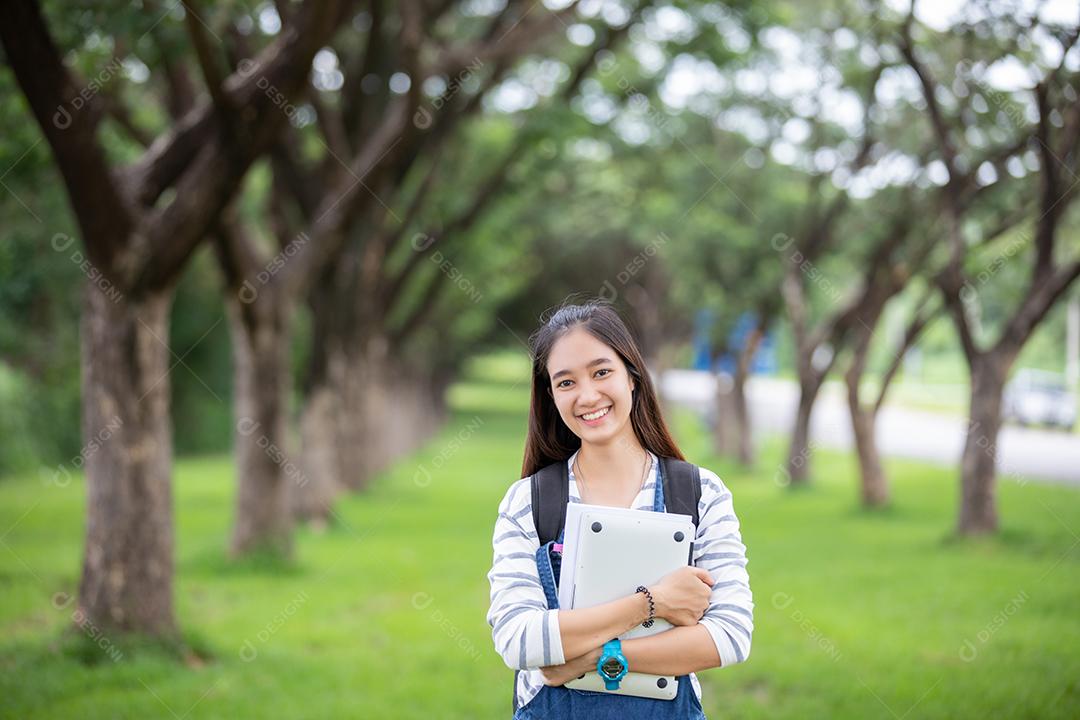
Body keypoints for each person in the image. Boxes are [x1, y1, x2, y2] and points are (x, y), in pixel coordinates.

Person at [487, 300, 754, 719]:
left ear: (632, 376)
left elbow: (729, 635)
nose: (588, 395)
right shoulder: (529, 502)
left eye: (601, 372)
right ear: (550, 396)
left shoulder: (700, 493)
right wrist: (653, 603)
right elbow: (518, 640)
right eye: (566, 382)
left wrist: (585, 660)